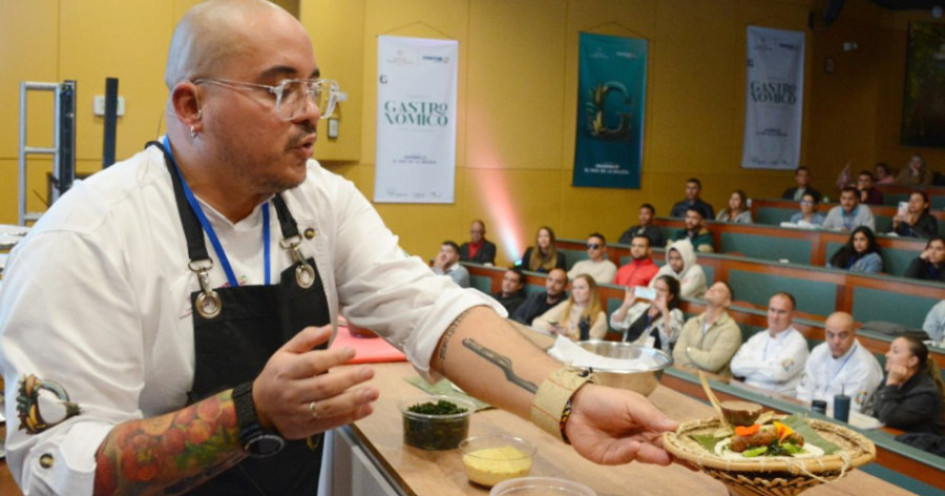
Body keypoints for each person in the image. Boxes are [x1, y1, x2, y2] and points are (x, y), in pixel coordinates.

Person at [0, 3, 678, 494]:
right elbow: (57, 466)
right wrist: (250, 413)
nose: (309, 110)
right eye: (278, 88)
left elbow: (427, 311)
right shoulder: (88, 239)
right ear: (190, 105)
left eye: (313, 85)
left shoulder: (316, 200)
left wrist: (567, 401)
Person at [795, 312, 884, 413]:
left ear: (854, 334)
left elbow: (852, 409)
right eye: (830, 335)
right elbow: (804, 392)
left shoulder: (865, 366)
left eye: (842, 335)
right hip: (810, 413)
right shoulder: (818, 351)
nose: (836, 341)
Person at [730, 292, 810, 396]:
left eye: (781, 312)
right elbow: (735, 366)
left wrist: (751, 366)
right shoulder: (758, 338)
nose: (775, 316)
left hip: (777, 402)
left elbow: (778, 374)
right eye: (772, 310)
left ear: (792, 315)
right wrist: (768, 366)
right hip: (746, 394)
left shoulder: (797, 342)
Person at [870, 335, 945, 434]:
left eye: (895, 351)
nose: (887, 355)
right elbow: (877, 409)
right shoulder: (891, 378)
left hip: (913, 446)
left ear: (912, 361)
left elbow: (888, 418)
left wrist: (892, 385)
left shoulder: (926, 393)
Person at [672, 282, 741, 376]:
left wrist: (688, 350)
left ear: (727, 302)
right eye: (711, 287)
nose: (712, 290)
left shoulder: (731, 330)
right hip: (683, 377)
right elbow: (677, 354)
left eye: (719, 291)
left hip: (713, 386)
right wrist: (699, 369)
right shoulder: (692, 322)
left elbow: (712, 363)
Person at [609, 275, 684, 353]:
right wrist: (626, 305)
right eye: (655, 288)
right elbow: (615, 324)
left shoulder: (675, 313)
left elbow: (672, 338)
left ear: (670, 296)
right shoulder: (641, 306)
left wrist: (663, 310)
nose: (656, 292)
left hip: (654, 359)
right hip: (628, 352)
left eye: (661, 290)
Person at [533, 274, 607, 341]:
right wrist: (551, 328)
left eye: (581, 288)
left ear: (591, 291)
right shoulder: (566, 305)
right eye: (574, 288)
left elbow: (588, 343)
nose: (576, 291)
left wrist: (567, 333)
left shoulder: (600, 316)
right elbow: (536, 322)